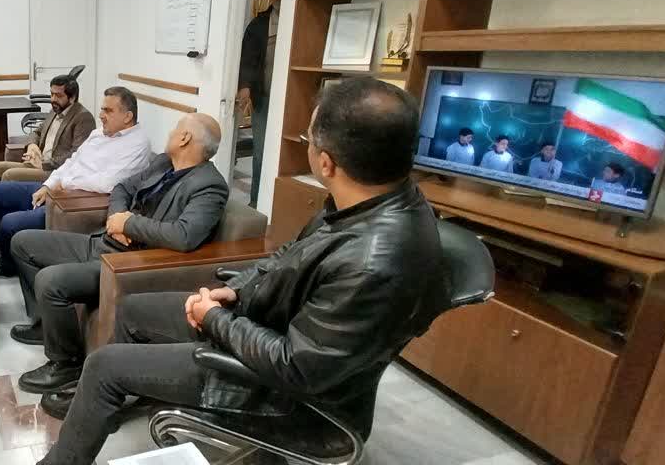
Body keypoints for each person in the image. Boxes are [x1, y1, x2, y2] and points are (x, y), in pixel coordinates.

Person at [33, 77, 452, 465]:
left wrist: (215, 320)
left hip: (285, 395)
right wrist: (237, 291)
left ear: (325, 163)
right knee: (133, 309)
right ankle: (122, 398)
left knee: (104, 367)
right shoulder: (366, 200)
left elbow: (296, 366)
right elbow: (288, 255)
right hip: (262, 326)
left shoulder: (373, 262)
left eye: (308, 138)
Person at [11, 113, 229, 395]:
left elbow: (184, 235)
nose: (171, 132)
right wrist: (117, 218)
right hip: (105, 241)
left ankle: (65, 365)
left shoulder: (210, 185)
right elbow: (123, 188)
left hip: (129, 262)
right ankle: (45, 324)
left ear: (185, 138)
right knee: (22, 242)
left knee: (50, 281)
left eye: (177, 128)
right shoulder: (164, 163)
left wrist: (129, 224)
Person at [0, 87, 151, 280]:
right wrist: (49, 185)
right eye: (102, 109)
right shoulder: (99, 134)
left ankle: (6, 265)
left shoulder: (138, 144)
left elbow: (108, 183)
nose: (101, 115)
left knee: (10, 223)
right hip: (60, 190)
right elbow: (72, 161)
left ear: (127, 116)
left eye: (108, 110)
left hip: (76, 204)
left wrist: (65, 183)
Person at [0, 72, 96, 183]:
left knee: (9, 175)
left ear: (72, 98)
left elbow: (77, 154)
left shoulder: (83, 117)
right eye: (52, 94)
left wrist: (44, 164)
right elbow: (37, 132)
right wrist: (32, 145)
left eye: (58, 96)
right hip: (39, 164)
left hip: (56, 171)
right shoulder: (55, 110)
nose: (53, 99)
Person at [237, 0, 284, 207]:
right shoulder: (258, 24)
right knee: (261, 152)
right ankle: (257, 202)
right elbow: (247, 58)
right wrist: (245, 87)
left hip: (294, 101)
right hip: (264, 98)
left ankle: (280, 204)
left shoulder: (305, 18)